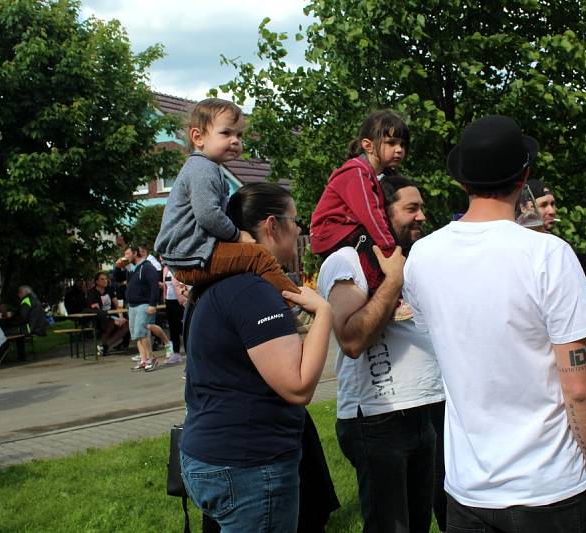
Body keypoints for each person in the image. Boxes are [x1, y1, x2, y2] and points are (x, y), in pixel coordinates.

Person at [404, 115, 586, 532]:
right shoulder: (548, 255)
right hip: (549, 487)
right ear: (525, 177)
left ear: (462, 182)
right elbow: (581, 385)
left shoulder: (423, 256)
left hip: (468, 488)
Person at [180, 182, 333, 531]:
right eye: (295, 221)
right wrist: (324, 313)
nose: (299, 231)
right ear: (271, 225)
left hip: (211, 455)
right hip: (249, 466)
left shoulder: (213, 282)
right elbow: (297, 387)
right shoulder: (252, 289)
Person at [317, 175, 445, 533]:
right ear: (379, 212)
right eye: (411, 208)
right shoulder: (345, 262)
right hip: (377, 418)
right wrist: (392, 281)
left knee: (419, 525)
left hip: (423, 410)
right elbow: (352, 340)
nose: (421, 216)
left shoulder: (408, 259)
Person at [153, 98, 300, 306]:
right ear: (198, 137)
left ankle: (203, 298)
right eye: (226, 133)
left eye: (239, 135)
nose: (235, 140)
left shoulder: (208, 168)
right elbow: (208, 215)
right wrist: (237, 235)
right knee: (258, 255)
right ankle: (295, 305)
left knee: (238, 260)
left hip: (188, 255)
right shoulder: (203, 169)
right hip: (189, 254)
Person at [310, 110, 409, 294]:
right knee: (373, 241)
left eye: (402, 144)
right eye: (391, 143)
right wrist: (391, 252)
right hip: (332, 233)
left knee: (388, 237)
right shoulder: (357, 173)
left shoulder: (370, 175)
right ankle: (381, 292)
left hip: (345, 230)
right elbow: (372, 215)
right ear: (368, 145)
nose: (399, 149)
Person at [124, 246, 162, 371]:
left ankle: (152, 358)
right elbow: (119, 277)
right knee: (136, 334)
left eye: (128, 253)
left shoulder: (147, 267)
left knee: (142, 331)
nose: (126, 256)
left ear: (135, 253)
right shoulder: (133, 268)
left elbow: (154, 286)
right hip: (132, 305)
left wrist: (152, 304)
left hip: (144, 304)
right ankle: (143, 360)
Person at [87, 271, 130, 357]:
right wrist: (114, 320)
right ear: (97, 282)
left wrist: (120, 317)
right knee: (109, 323)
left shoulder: (109, 289)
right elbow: (96, 309)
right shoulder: (92, 292)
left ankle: (105, 346)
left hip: (112, 315)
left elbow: (117, 305)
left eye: (106, 279)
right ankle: (105, 346)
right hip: (99, 317)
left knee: (126, 324)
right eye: (102, 279)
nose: (105, 281)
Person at [161, 263, 185, 365]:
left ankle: (190, 351)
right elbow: (165, 287)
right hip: (169, 301)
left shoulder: (180, 266)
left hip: (180, 301)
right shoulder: (166, 269)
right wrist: (164, 299)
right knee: (172, 328)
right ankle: (176, 353)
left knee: (182, 327)